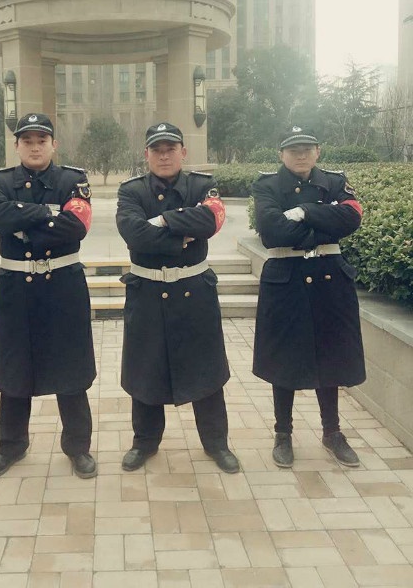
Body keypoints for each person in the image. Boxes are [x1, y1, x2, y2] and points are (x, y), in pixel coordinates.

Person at [116, 122, 240, 473]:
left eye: (170, 149)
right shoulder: (131, 191)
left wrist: (160, 221)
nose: (164, 155)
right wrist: (180, 232)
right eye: (157, 150)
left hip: (194, 292)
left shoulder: (202, 186)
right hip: (147, 292)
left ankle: (217, 444)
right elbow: (134, 234)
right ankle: (144, 442)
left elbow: (210, 221)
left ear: (183, 152)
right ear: (146, 155)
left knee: (207, 371)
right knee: (145, 370)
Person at [0, 112, 97, 479]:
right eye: (27, 141)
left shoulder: (73, 180)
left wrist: (24, 226)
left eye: (41, 140)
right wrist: (49, 212)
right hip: (16, 288)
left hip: (63, 286)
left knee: (71, 370)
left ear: (53, 145)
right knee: (13, 370)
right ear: (16, 145)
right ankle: (11, 446)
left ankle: (78, 448)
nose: (35, 147)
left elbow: (75, 227)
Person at [251, 126, 366, 468]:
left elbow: (352, 217)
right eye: (293, 149)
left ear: (318, 151)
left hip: (330, 279)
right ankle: (283, 433)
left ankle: (332, 432)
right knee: (283, 358)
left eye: (306, 148)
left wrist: (303, 212)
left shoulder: (334, 181)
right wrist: (324, 222)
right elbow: (271, 231)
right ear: (281, 154)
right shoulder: (267, 185)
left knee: (330, 356)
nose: (300, 155)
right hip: (285, 279)